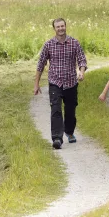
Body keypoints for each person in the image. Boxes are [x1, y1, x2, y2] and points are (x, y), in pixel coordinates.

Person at [34, 17, 87, 149]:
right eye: (58, 27)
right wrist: (36, 84)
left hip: (71, 83)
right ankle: (57, 138)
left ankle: (69, 132)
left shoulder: (74, 43)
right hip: (55, 82)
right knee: (56, 110)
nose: (61, 28)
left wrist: (81, 72)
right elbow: (40, 65)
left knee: (70, 110)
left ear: (65, 26)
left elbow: (82, 60)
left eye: (62, 26)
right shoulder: (48, 45)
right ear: (54, 29)